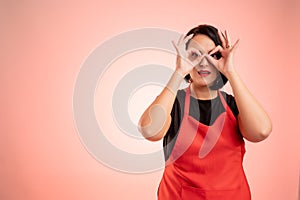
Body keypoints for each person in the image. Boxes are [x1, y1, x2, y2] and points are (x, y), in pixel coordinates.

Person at [138, 24, 272, 199]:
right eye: (195, 55)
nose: (203, 62)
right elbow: (150, 131)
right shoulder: (173, 103)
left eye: (213, 55)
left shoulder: (234, 105)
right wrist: (178, 72)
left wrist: (231, 72)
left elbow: (261, 131)